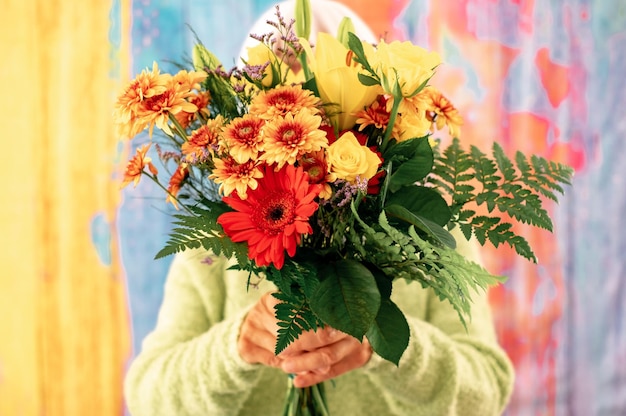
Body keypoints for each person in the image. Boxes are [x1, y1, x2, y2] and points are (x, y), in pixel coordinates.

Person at [123, 1, 515, 415]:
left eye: (323, 103)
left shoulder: (421, 224)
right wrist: (235, 346)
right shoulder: (219, 232)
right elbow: (148, 396)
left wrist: (380, 343)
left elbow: (487, 389)